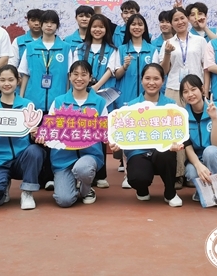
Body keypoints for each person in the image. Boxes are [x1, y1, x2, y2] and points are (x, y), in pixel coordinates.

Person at [110, 64, 184, 207]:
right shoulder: (131, 106)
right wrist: (118, 143)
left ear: (163, 81)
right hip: (139, 153)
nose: (151, 82)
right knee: (138, 178)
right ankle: (142, 190)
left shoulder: (171, 105)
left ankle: (170, 192)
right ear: (141, 80)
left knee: (166, 154)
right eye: (147, 78)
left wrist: (176, 142)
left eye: (156, 78)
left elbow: (176, 132)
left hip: (162, 153)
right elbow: (123, 134)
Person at [0, 65, 45, 209]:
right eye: (2, 80)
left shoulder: (27, 105)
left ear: (18, 81)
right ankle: (2, 186)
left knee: (35, 151)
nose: (6, 83)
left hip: (22, 158)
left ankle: (27, 192)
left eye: (10, 80)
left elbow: (33, 134)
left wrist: (35, 134)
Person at [41, 60, 107, 207]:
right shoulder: (58, 102)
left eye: (84, 74)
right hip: (62, 159)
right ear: (69, 76)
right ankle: (69, 186)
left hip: (89, 156)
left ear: (90, 77)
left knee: (82, 169)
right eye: (75, 74)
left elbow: (105, 130)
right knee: (64, 200)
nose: (79, 78)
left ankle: (86, 189)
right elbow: (49, 128)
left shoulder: (100, 103)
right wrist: (42, 136)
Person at [160, 7, 207, 189]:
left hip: (195, 89)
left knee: (194, 128)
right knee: (176, 131)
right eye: (175, 20)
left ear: (188, 19)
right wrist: (167, 53)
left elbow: (206, 66)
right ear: (171, 23)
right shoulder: (167, 43)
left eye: (182, 18)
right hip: (174, 89)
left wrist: (205, 88)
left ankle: (193, 168)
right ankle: (178, 173)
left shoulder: (200, 40)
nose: (179, 22)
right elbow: (164, 71)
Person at [73, 13, 118, 189]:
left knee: (100, 132)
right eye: (94, 26)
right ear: (89, 28)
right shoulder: (79, 49)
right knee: (82, 130)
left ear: (106, 30)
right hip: (81, 94)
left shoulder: (112, 49)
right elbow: (75, 71)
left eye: (101, 27)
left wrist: (96, 86)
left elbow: (111, 70)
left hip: (102, 96)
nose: (97, 30)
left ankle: (100, 174)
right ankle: (82, 170)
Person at [180, 74, 217, 207]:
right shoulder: (182, 115)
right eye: (185, 92)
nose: (190, 94)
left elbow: (216, 145)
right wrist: (199, 166)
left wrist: (214, 119)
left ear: (202, 89)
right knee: (191, 171)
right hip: (198, 159)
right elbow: (188, 147)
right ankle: (205, 192)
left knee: (210, 151)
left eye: (193, 89)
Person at [19, 10, 70, 112]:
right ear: (41, 24)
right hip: (33, 102)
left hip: (58, 103)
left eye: (53, 23)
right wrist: (21, 98)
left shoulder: (66, 48)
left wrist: (68, 99)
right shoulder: (30, 47)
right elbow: (25, 75)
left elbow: (69, 76)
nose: (49, 25)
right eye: (46, 22)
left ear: (57, 25)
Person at [113, 13, 159, 108]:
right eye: (133, 24)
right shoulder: (121, 49)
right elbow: (117, 75)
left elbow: (156, 74)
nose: (137, 27)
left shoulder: (152, 50)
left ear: (144, 28)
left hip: (147, 98)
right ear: (128, 28)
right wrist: (124, 66)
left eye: (140, 24)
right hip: (125, 98)